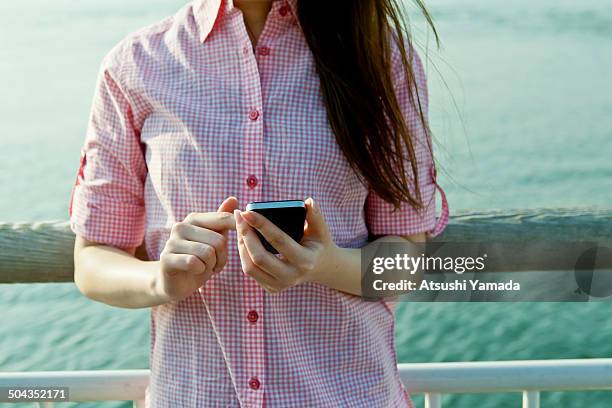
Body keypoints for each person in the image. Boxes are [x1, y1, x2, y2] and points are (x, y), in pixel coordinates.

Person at [70, 0, 449, 406]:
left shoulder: (381, 58)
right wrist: (160, 279)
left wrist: (323, 264)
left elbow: (407, 260)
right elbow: (93, 260)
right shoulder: (134, 65)